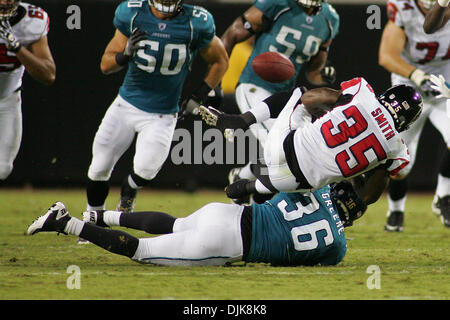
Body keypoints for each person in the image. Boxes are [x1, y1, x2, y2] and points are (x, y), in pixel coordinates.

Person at [27, 173, 384, 267]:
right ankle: (65, 222)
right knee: (142, 252)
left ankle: (101, 215)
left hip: (227, 214)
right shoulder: (337, 248)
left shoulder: (313, 192)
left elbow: (273, 193)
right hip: (232, 245)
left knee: (176, 224)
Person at [85, 0, 228, 220]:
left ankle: (129, 188)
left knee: (145, 171)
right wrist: (125, 55)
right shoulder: (132, 14)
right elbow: (105, 65)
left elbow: (221, 61)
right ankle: (93, 219)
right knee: (99, 168)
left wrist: (199, 96)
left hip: (162, 114)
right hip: (125, 106)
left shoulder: (196, 22)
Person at [200, 77, 423, 203]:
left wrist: (327, 115)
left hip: (281, 148)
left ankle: (240, 121)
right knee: (323, 180)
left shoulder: (363, 92)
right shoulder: (397, 151)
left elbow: (309, 99)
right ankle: (254, 186)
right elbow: (367, 197)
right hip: (294, 183)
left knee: (298, 93)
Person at [219, 0, 339, 204]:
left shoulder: (330, 19)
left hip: (285, 96)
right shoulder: (276, 3)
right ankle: (261, 198)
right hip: (254, 85)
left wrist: (325, 75)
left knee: (291, 147)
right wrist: (216, 84)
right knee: (281, 149)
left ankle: (243, 177)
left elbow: (313, 72)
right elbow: (231, 35)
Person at [378, 0, 450, 230]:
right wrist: (416, 74)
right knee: (401, 162)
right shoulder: (404, 8)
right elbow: (386, 56)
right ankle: (396, 211)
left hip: (443, 85)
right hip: (410, 88)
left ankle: (443, 196)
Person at [0, 0, 55, 182]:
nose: (5, 2)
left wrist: (17, 48)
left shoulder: (32, 20)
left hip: (7, 99)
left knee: (3, 167)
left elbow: (48, 75)